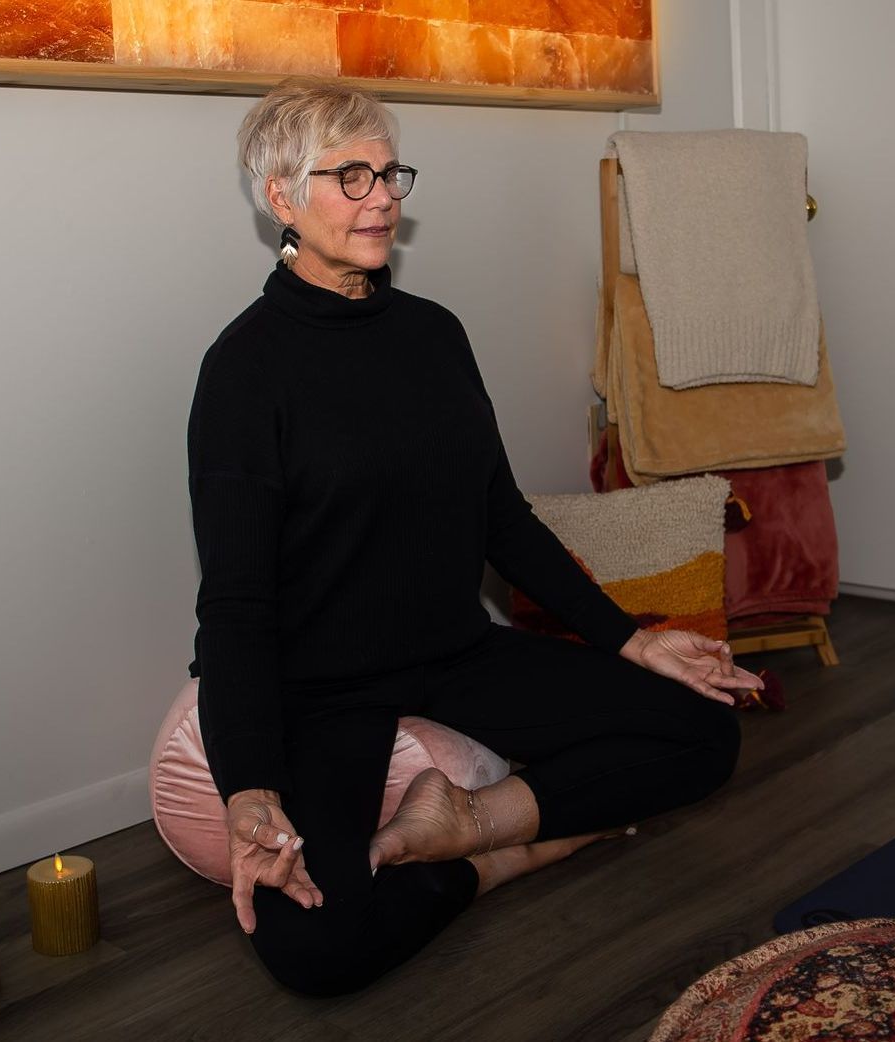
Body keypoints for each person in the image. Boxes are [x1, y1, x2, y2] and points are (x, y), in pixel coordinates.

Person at [187, 78, 761, 997]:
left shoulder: (434, 335)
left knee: (705, 731)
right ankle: (496, 865)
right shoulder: (245, 372)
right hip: (322, 692)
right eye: (351, 175)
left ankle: (473, 822)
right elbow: (237, 602)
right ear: (282, 198)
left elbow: (503, 519)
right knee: (312, 951)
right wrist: (249, 788)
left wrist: (633, 640)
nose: (382, 196)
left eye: (389, 172)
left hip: (455, 653)